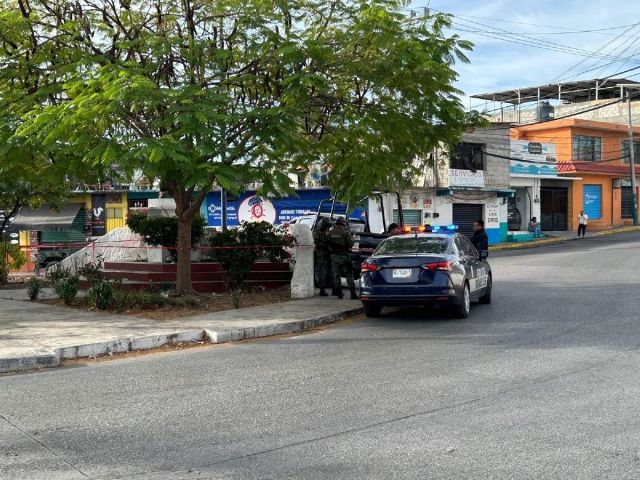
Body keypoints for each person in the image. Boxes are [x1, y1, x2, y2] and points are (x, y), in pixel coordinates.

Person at [328, 217, 358, 300]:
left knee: (336, 275)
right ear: (343, 224)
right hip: (344, 256)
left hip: (334, 256)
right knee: (349, 274)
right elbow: (350, 244)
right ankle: (353, 293)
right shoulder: (345, 233)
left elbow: (329, 244)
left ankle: (339, 293)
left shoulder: (330, 233)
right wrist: (353, 239)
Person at [313, 217, 332, 296]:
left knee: (330, 272)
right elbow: (317, 244)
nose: (328, 228)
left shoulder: (327, 232)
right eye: (326, 226)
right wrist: (326, 244)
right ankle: (322, 288)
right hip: (321, 255)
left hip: (328, 254)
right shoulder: (317, 232)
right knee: (321, 272)